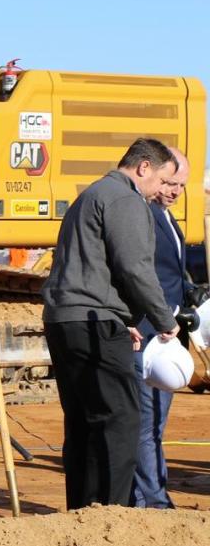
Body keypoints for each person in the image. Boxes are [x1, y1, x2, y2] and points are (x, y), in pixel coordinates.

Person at [42, 137, 180, 511]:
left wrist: (124, 318)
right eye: (163, 179)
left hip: (68, 318)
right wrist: (165, 321)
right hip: (92, 323)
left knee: (85, 422)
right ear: (144, 167)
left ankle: (84, 512)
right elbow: (135, 267)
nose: (161, 191)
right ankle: (111, 517)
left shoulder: (92, 195)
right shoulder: (124, 198)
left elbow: (92, 269)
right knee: (120, 421)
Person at [131, 147, 203, 508]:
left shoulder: (165, 215)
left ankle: (150, 496)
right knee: (146, 424)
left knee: (155, 424)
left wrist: (190, 293)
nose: (175, 190)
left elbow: (168, 272)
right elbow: (142, 274)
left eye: (181, 185)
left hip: (166, 333)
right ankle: (151, 502)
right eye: (170, 182)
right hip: (149, 334)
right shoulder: (143, 214)